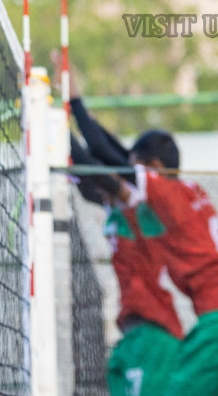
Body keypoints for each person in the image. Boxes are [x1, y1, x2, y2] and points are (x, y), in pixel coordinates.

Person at [72, 73, 218, 396]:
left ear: (153, 168)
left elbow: (105, 155)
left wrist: (64, 111)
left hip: (216, 327)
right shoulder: (184, 193)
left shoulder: (161, 197)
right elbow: (114, 153)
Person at [69, 131, 184, 396]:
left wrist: (57, 121)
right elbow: (89, 178)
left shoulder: (137, 205)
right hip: (136, 332)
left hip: (154, 331)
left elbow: (93, 160)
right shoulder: (115, 209)